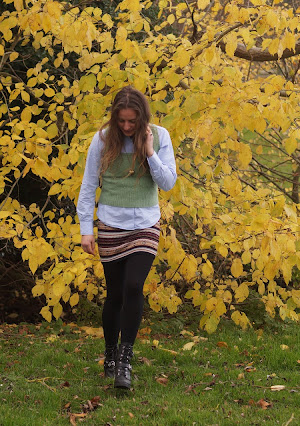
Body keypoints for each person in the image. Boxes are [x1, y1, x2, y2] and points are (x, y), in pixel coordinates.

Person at [77, 86, 177, 389]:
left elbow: (168, 182)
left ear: (142, 118)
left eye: (132, 121)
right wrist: (85, 229)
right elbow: (88, 184)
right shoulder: (104, 138)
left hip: (145, 223)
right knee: (116, 294)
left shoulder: (159, 137)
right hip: (110, 224)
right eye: (122, 121)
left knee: (135, 286)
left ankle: (125, 359)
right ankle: (109, 353)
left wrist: (148, 152)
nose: (126, 127)